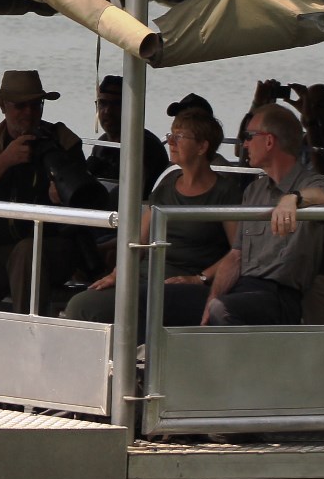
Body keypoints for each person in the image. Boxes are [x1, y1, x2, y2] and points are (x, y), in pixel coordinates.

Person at [66, 108, 242, 327]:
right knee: (80, 303)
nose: (170, 142)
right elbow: (138, 242)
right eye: (170, 135)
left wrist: (200, 278)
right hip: (144, 278)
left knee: (83, 307)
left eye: (179, 136)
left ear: (202, 146)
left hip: (183, 284)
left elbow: (238, 252)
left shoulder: (225, 193)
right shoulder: (167, 186)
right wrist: (116, 274)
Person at [0, 70, 95, 313]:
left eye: (35, 105)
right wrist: (4, 161)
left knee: (27, 252)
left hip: (53, 248)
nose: (28, 114)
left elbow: (85, 202)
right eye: (20, 106)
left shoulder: (63, 142)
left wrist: (61, 199)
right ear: (3, 107)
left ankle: (29, 336)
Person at [203, 105, 324, 325]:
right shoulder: (253, 191)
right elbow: (236, 256)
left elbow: (322, 197)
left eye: (249, 136)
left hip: (280, 296)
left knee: (223, 309)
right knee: (162, 297)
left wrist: (293, 199)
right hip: (242, 288)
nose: (244, 144)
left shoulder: (310, 182)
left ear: (270, 141)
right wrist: (211, 298)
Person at [84, 75, 170, 196]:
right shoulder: (101, 144)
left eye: (116, 104)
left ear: (130, 106)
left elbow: (137, 193)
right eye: (102, 103)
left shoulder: (144, 145)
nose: (107, 111)